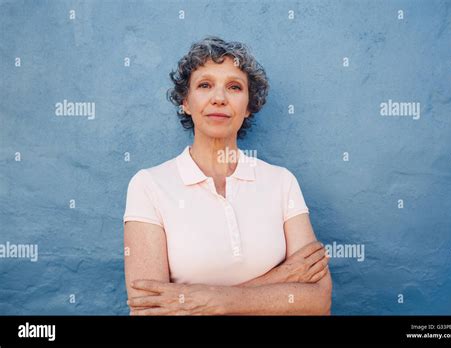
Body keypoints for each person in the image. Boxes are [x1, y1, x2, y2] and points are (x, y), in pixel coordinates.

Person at [123, 36, 332, 315]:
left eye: (234, 87)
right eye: (205, 85)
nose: (219, 98)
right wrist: (279, 279)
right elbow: (149, 310)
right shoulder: (149, 185)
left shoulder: (282, 183)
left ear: (248, 106)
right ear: (185, 101)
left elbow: (318, 301)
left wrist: (210, 300)